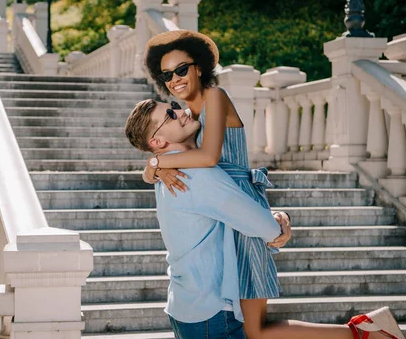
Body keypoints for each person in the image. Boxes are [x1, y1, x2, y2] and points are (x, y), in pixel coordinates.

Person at [138, 30, 404, 339]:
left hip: (242, 214)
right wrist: (155, 165)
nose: (175, 79)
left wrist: (161, 163)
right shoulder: (185, 117)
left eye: (182, 69)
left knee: (256, 330)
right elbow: (156, 162)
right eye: (167, 74)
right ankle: (363, 331)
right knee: (252, 331)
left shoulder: (215, 97)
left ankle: (361, 332)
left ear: (198, 67)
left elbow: (210, 156)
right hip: (224, 221)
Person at [125, 99, 291, 339]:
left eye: (174, 105)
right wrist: (280, 218)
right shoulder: (198, 175)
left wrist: (154, 165)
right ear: (158, 142)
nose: (181, 112)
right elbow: (267, 228)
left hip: (186, 306)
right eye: (171, 114)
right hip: (211, 314)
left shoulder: (167, 174)